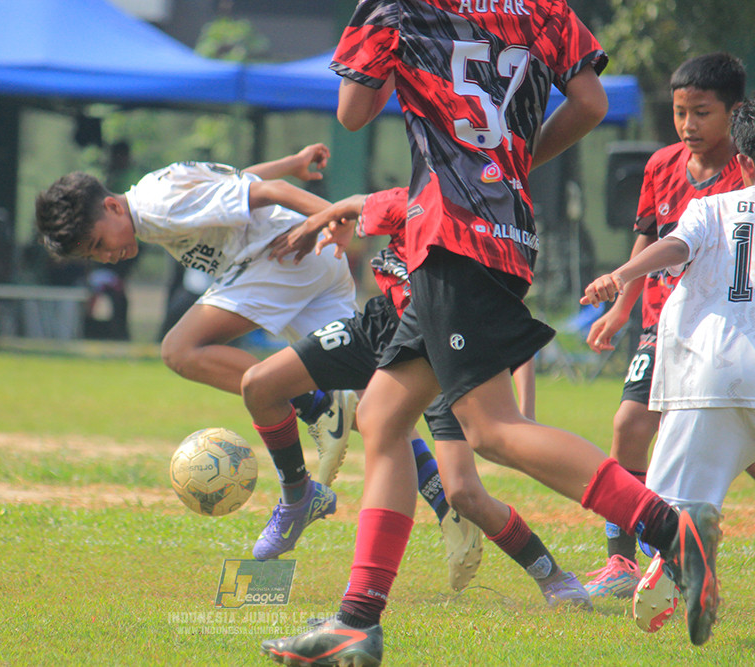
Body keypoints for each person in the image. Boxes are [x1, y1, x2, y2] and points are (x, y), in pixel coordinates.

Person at [260, 3, 720, 663]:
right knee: (384, 416)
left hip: (450, 231)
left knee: (494, 430)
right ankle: (357, 621)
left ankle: (672, 532)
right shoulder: (541, 9)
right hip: (500, 228)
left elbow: (352, 113)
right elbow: (589, 102)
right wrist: (512, 158)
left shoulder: (401, 8)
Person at [244, 187, 592, 608]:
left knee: (464, 493)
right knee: (259, 384)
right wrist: (320, 225)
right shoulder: (416, 196)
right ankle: (299, 496)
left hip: (442, 352)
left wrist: (526, 410)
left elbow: (507, 324)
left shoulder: (484, 224)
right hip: (380, 327)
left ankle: (552, 576)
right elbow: (356, 202)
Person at [35, 143, 360, 507]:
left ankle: (315, 403)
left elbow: (272, 192)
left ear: (111, 206)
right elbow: (242, 183)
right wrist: (292, 163)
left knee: (179, 349)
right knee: (370, 403)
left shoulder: (158, 208)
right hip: (308, 261)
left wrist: (336, 219)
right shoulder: (152, 191)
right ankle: (436, 490)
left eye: (98, 243)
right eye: (93, 255)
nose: (106, 257)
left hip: (283, 255)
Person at [582, 95, 755, 644]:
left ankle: (676, 563)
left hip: (711, 374)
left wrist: (619, 275)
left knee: (670, 509)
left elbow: (674, 245)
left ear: (743, 159)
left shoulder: (713, 207)